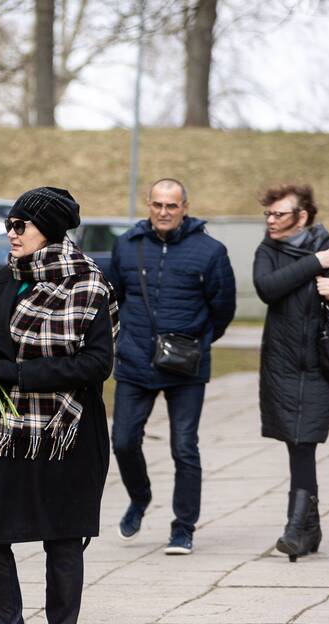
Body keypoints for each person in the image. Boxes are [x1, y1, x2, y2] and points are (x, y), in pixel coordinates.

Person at [0, 187, 118, 624]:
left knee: (63, 540)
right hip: (1, 429)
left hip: (63, 432)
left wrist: (18, 374)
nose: (10, 233)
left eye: (20, 226)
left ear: (48, 230)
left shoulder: (88, 285)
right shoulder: (2, 281)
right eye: (9, 224)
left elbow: (97, 364)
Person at [108, 178, 236, 555]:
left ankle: (183, 527)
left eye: (172, 206)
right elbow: (115, 296)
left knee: (184, 447)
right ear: (148, 205)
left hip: (186, 367)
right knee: (124, 441)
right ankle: (140, 497)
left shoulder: (210, 251)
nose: (164, 212)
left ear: (185, 208)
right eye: (158, 204)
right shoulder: (127, 246)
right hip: (133, 361)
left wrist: (197, 342)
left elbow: (223, 307)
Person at [253, 184, 329, 561]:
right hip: (282, 364)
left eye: (279, 214)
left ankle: (295, 530)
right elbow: (267, 288)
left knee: (304, 441)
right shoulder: (268, 251)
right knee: (295, 441)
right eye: (268, 214)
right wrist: (315, 263)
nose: (271, 221)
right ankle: (310, 529)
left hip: (323, 365)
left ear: (302, 216)